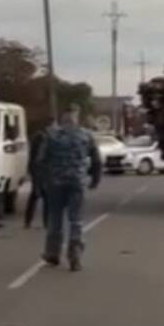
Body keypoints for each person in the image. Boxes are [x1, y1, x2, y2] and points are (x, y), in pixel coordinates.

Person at [37, 104, 101, 271]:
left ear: (62, 118)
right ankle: (75, 255)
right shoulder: (86, 136)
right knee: (76, 220)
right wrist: (95, 178)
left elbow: (40, 160)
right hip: (77, 183)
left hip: (55, 183)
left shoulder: (51, 136)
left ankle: (52, 253)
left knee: (55, 219)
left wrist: (42, 181)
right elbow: (96, 160)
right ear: (77, 117)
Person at [24, 126, 47, 229]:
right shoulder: (41, 140)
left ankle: (29, 221)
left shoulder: (38, 139)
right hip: (40, 172)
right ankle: (45, 222)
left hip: (40, 172)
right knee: (40, 197)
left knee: (37, 197)